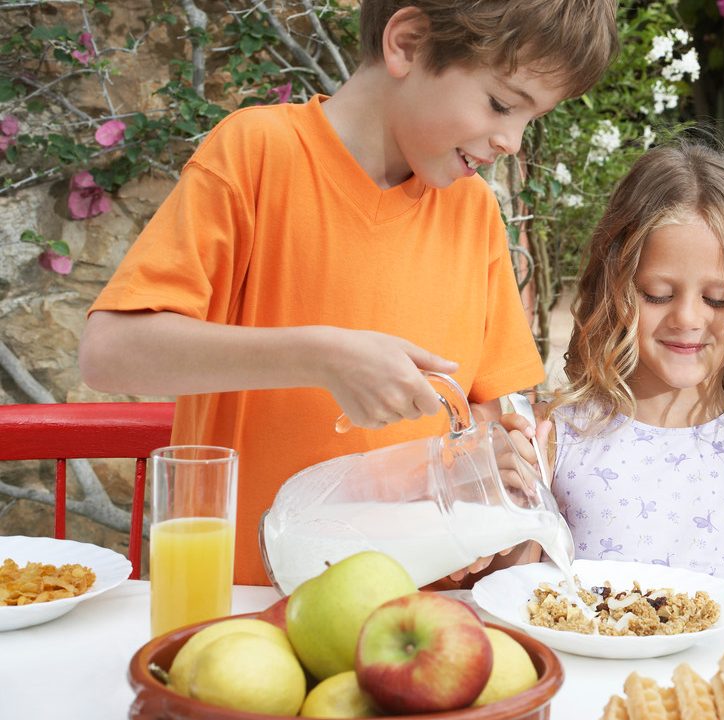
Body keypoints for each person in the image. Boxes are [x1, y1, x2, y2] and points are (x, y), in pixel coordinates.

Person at [77, 0, 619, 586]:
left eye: (529, 121)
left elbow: (493, 417)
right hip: (246, 610)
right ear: (407, 44)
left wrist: (507, 499)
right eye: (502, 104)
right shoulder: (257, 154)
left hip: (424, 617)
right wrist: (322, 357)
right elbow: (109, 351)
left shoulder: (474, 213)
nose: (512, 141)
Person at [507, 139, 724, 604]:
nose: (688, 318)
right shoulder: (554, 439)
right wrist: (512, 498)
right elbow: (514, 596)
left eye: (718, 299)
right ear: (613, 287)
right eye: (658, 294)